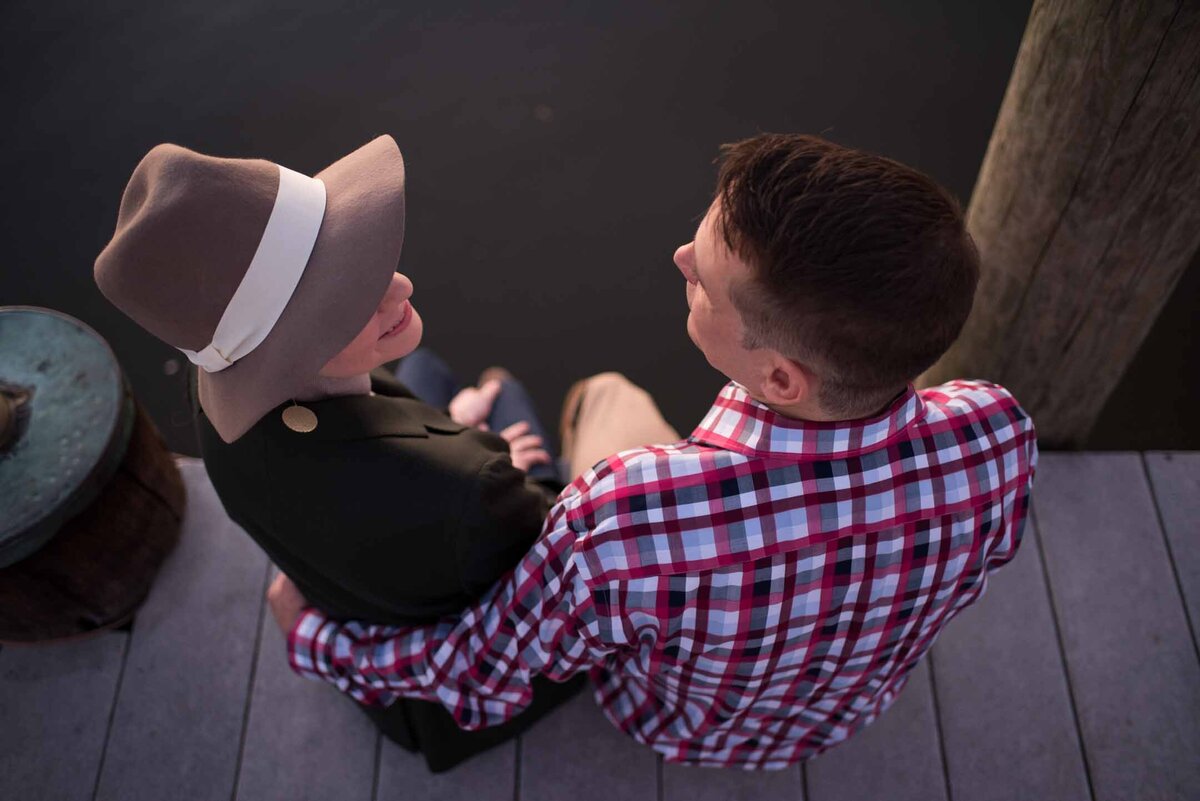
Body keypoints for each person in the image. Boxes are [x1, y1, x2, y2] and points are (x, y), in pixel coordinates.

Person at [268, 133, 1039, 769]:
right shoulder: (997, 433)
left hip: (677, 726)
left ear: (779, 376)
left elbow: (481, 669)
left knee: (601, 391)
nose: (679, 258)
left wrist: (316, 638)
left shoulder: (626, 517)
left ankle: (515, 404)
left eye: (703, 280)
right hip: (836, 717)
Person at [93, 135, 585, 773]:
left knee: (426, 365)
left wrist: (446, 424)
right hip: (459, 679)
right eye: (351, 292)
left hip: (378, 563)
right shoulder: (472, 486)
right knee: (516, 388)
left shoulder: (220, 403)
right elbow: (561, 569)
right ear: (285, 353)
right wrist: (511, 469)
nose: (400, 282)